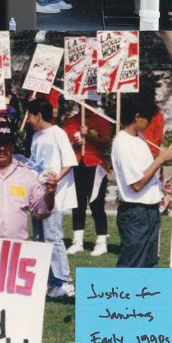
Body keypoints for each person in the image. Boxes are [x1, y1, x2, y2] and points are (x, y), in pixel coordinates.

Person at [111, 97, 172, 268]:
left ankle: (142, 293)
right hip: (135, 213)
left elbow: (145, 174)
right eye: (148, 118)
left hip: (150, 210)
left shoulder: (139, 139)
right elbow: (137, 184)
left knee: (149, 262)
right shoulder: (122, 143)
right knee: (132, 264)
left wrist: (161, 188)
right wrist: (160, 159)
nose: (150, 123)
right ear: (137, 116)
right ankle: (122, 294)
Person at [26, 98, 77, 298]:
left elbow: (69, 162)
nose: (28, 119)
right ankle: (47, 280)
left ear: (38, 115)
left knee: (53, 237)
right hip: (37, 195)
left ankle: (65, 282)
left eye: (30, 115)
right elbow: (35, 163)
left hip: (55, 197)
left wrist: (55, 180)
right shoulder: (37, 136)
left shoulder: (58, 134)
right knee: (38, 237)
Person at [62, 104, 112, 256]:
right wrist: (74, 145)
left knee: (97, 204)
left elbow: (107, 143)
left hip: (95, 165)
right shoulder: (70, 122)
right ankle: (78, 242)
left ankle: (101, 242)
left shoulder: (101, 121)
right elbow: (64, 146)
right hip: (77, 165)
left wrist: (90, 135)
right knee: (77, 204)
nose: (87, 106)